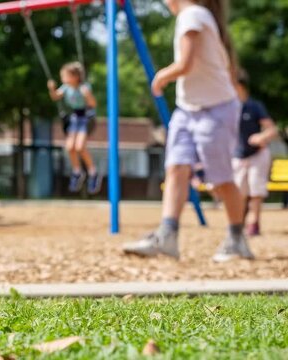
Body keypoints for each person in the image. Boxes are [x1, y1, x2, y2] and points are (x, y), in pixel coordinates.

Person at [123, 0, 254, 262]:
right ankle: (167, 235)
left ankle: (237, 237)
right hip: (187, 108)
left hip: (216, 108)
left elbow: (186, 64)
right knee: (176, 167)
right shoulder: (194, 16)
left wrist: (161, 76)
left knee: (220, 179)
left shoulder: (193, 15)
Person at [232, 70, 278, 236]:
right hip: (239, 155)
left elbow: (272, 129)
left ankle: (254, 224)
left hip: (257, 154)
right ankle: (238, 222)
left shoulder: (254, 106)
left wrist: (261, 136)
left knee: (256, 191)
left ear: (240, 86)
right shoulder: (230, 107)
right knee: (240, 192)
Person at [47, 62, 101, 194]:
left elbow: (93, 104)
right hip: (74, 118)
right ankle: (77, 172)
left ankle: (93, 173)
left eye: (65, 76)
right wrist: (51, 89)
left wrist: (87, 94)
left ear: (75, 76)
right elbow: (55, 97)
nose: (62, 78)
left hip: (86, 118)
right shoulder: (66, 87)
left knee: (79, 147)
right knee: (70, 147)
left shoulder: (84, 87)